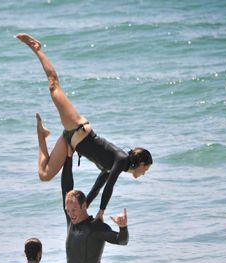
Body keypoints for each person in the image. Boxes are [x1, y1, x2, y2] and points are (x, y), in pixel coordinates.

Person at [17, 33, 152, 222]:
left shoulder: (115, 165)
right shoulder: (121, 159)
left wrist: (85, 206)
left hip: (70, 141)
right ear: (142, 164)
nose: (144, 173)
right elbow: (109, 187)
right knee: (54, 86)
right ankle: (37, 48)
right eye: (146, 169)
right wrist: (101, 212)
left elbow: (99, 185)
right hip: (77, 127)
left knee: (44, 175)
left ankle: (42, 134)